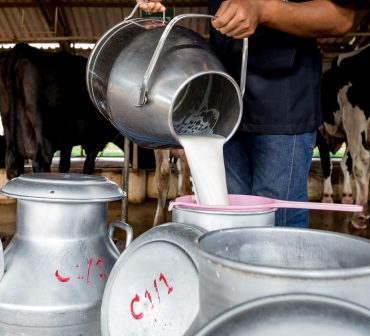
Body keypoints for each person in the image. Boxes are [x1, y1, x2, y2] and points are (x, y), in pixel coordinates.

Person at [137, 0, 355, 227]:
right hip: (222, 102)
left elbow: (340, 18)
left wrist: (262, 10)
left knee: (276, 225)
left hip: (282, 102)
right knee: (226, 218)